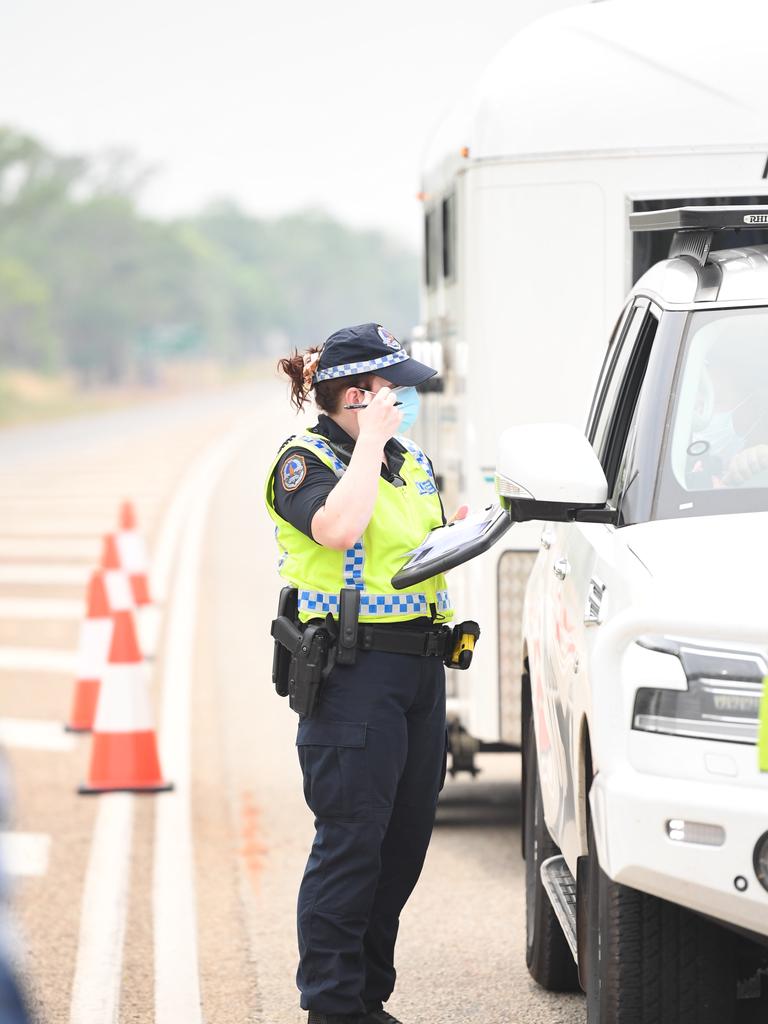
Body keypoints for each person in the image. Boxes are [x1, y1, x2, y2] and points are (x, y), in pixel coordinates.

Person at [265, 323, 467, 1024]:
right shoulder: (303, 460)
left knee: (402, 843)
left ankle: (365, 998)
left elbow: (415, 547)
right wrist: (372, 442)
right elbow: (337, 530)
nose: (403, 402)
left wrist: (465, 529)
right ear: (356, 395)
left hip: (418, 672)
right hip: (352, 674)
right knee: (352, 842)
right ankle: (332, 1007)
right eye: (391, 391)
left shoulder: (407, 462)